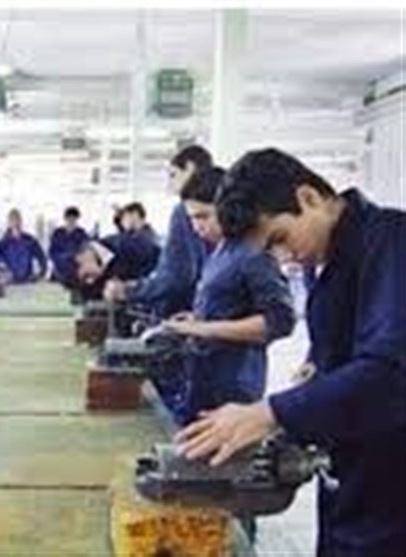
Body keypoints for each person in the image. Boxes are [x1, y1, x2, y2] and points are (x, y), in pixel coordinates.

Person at [175, 148, 406, 556]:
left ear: (308, 198)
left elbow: (391, 372)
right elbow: (347, 348)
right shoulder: (327, 257)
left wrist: (271, 413)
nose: (283, 259)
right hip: (352, 472)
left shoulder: (392, 242)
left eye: (280, 239)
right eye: (271, 252)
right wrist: (316, 369)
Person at [164, 166, 296, 424]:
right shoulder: (221, 251)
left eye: (203, 216)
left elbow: (281, 320)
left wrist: (204, 329)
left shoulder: (254, 253)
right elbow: (230, 307)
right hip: (206, 378)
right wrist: (196, 319)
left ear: (229, 208)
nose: (196, 226)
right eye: (192, 218)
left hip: (233, 387)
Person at [105, 145, 213, 317]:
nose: (171, 184)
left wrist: (129, 291)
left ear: (190, 168)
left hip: (186, 312)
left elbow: (176, 276)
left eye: (173, 175)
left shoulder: (184, 212)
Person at [0, 209, 47, 283]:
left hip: (27, 281)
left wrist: (40, 274)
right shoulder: (3, 244)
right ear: (9, 222)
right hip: (10, 283)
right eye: (12, 220)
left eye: (17, 219)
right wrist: (3, 275)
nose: (15, 223)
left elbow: (42, 257)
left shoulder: (30, 240)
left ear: (21, 221)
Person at [48, 206, 89, 287]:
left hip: (75, 272)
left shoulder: (81, 233)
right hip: (59, 271)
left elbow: (86, 250)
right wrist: (67, 257)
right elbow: (52, 253)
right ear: (65, 219)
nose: (71, 221)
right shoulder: (57, 233)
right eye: (69, 218)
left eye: (74, 219)